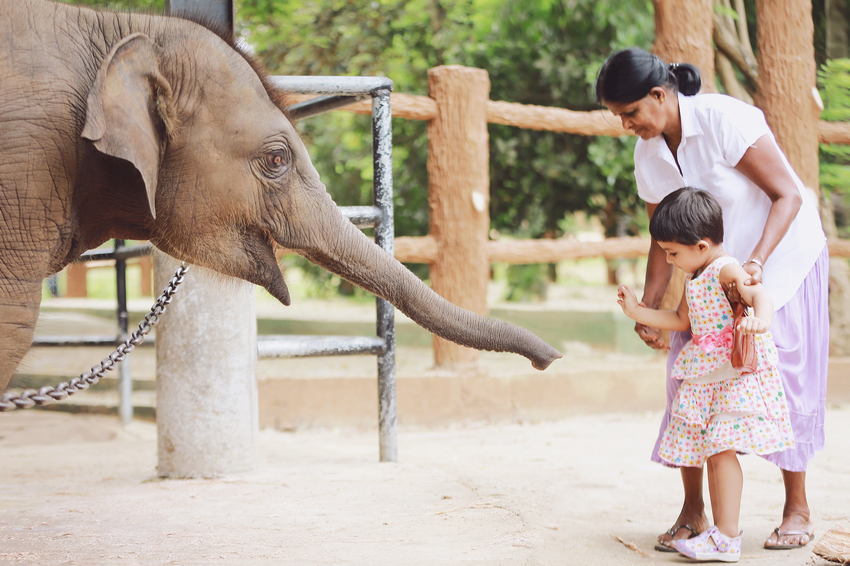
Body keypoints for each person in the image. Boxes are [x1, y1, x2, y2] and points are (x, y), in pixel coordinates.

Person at [595, 47, 828, 551]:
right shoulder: (649, 151)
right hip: (708, 280)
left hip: (779, 259)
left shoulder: (725, 120)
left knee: (780, 374)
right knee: (690, 380)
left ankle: (797, 508)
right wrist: (650, 306)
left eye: (631, 112)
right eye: (619, 116)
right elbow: (662, 237)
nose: (625, 125)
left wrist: (756, 266)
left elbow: (788, 194)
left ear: (659, 95)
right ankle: (693, 511)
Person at [618, 187, 795, 562]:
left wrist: (761, 320)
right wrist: (637, 312)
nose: (668, 259)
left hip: (733, 371)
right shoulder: (695, 273)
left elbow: (759, 294)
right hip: (709, 374)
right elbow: (682, 320)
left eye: (671, 252)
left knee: (719, 447)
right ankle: (721, 534)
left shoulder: (725, 268)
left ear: (700, 245)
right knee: (714, 449)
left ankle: (727, 536)